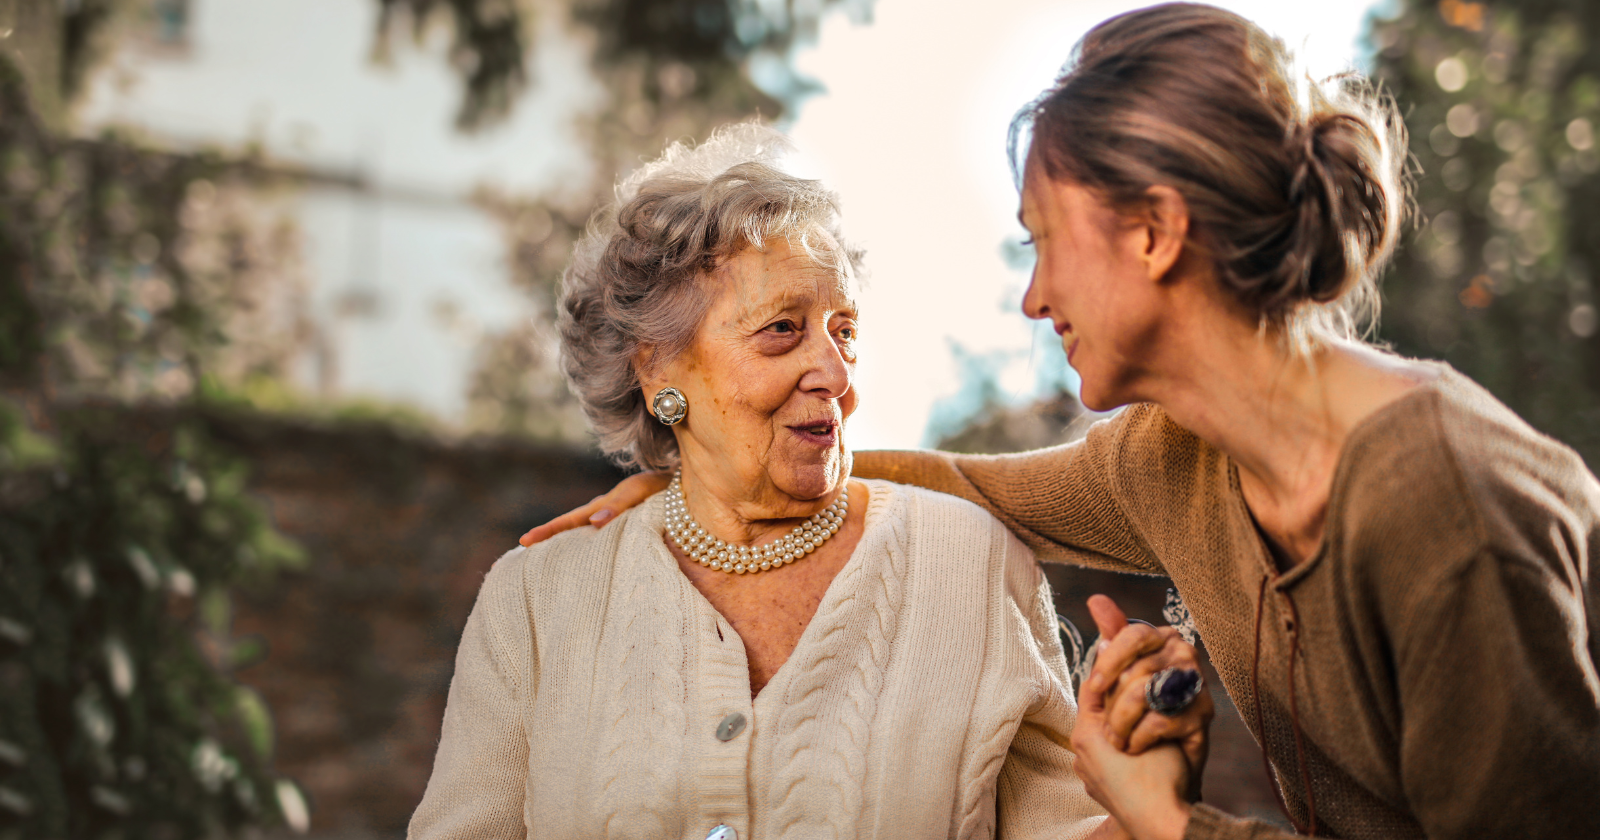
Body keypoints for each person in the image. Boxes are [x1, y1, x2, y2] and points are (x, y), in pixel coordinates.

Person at [519, 5, 1600, 839]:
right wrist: (706, 475)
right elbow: (963, 485)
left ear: (1154, 233)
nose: (1033, 298)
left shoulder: (1441, 507)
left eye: (1043, 240)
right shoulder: (1174, 458)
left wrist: (1166, 819)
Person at [408, 123, 1146, 840]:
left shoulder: (973, 566)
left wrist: (1149, 795)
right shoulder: (535, 602)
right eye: (782, 330)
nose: (835, 374)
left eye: (844, 331)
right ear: (658, 367)